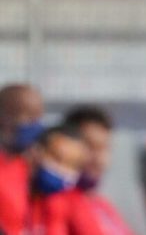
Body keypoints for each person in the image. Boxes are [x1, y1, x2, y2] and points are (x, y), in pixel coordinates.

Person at [0, 125, 88, 235]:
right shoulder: (5, 185)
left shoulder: (51, 202)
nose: (62, 170)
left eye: (72, 165)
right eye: (57, 158)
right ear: (35, 151)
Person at [62, 105, 135, 235]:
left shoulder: (103, 206)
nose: (100, 159)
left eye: (105, 148)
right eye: (90, 146)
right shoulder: (58, 206)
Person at [0, 84, 46, 235]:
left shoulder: (30, 167)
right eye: (30, 115)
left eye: (38, 117)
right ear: (3, 117)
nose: (36, 124)